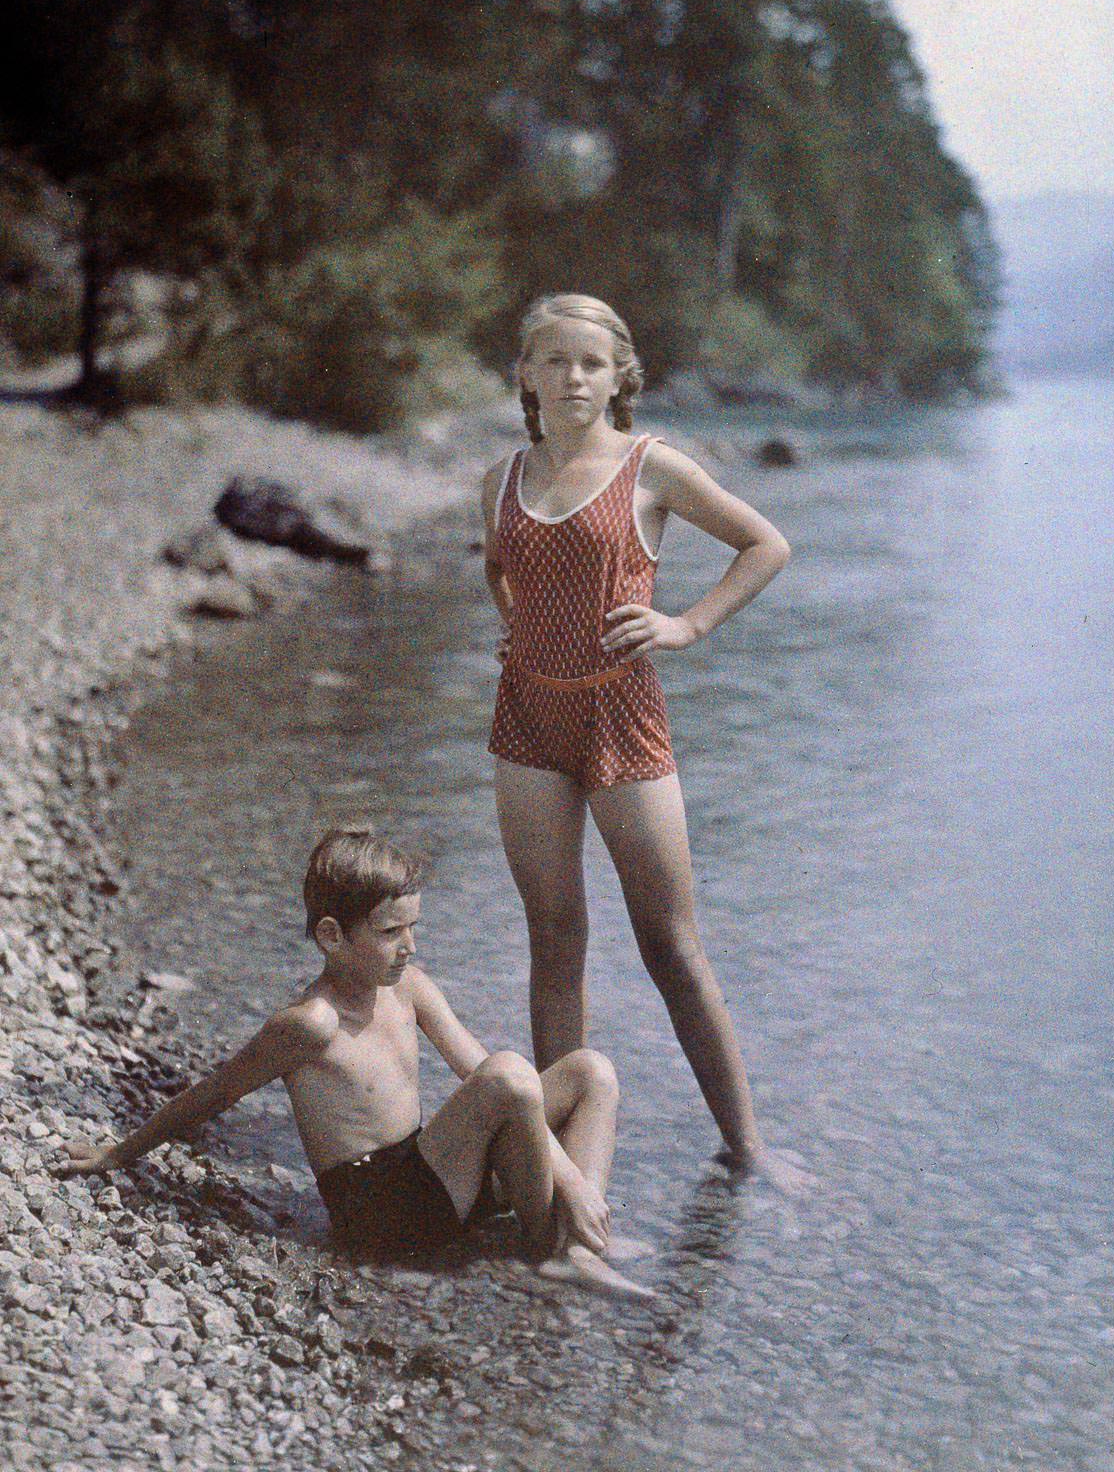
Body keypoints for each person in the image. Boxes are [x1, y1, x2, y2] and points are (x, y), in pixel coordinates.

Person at [482, 294, 811, 1196]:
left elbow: (765, 544)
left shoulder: (650, 465)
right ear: (526, 374)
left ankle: (746, 1148)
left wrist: (687, 626)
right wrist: (517, 628)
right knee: (556, 939)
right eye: (554, 360)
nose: (573, 377)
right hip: (527, 722)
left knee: (670, 943)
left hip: (623, 718)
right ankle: (552, 1164)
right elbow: (498, 565)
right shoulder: (503, 476)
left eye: (591, 362)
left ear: (620, 376)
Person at [59, 825, 650, 1298]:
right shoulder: (309, 1024)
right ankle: (559, 1246)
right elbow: (214, 1093)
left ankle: (579, 1240)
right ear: (332, 936)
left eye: (413, 927)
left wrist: (569, 1180)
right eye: (391, 931)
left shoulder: (409, 985)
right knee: (512, 1073)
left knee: (590, 1069)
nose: (410, 946)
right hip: (383, 1214)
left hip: (433, 1178)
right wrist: (119, 1152)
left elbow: (478, 1069)